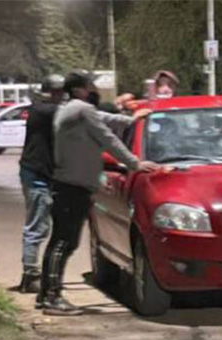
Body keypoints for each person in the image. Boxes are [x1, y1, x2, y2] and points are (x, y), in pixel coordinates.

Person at [37, 70, 159, 315]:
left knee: (60, 240)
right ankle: (52, 297)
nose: (93, 89)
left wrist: (132, 119)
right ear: (81, 88)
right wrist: (135, 163)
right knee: (65, 241)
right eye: (89, 85)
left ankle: (46, 292)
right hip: (74, 185)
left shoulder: (70, 108)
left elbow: (103, 118)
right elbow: (107, 138)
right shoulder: (81, 109)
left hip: (66, 183)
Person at [17, 74, 64, 293]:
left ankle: (33, 273)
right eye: (59, 92)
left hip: (39, 173)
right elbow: (73, 113)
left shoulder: (42, 109)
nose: (62, 96)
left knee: (41, 225)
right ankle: (30, 275)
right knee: (36, 227)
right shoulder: (45, 110)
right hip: (37, 175)